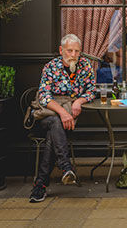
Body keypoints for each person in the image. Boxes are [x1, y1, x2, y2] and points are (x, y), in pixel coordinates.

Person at [29, 34, 96, 203]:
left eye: (76, 51)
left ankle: (41, 185)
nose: (73, 54)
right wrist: (63, 112)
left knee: (54, 131)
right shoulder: (51, 67)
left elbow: (91, 90)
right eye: (69, 50)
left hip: (67, 117)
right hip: (47, 115)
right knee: (54, 122)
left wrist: (79, 101)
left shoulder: (85, 66)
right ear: (61, 50)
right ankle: (65, 166)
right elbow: (44, 97)